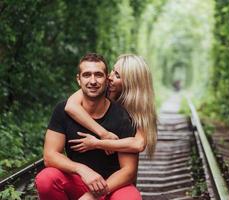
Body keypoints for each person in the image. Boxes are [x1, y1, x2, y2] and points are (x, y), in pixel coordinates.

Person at [35, 53, 142, 200]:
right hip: (80, 181)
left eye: (98, 75)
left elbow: (129, 171)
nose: (93, 81)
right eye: (86, 75)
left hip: (113, 185)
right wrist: (81, 169)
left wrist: (94, 194)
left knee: (131, 198)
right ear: (79, 80)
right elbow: (50, 156)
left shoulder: (122, 116)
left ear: (106, 80)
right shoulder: (63, 110)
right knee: (46, 179)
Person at [64, 54, 157, 158]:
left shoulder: (140, 106)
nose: (109, 77)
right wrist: (104, 134)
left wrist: (97, 143)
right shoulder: (98, 88)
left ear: (131, 84)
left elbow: (138, 144)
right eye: (113, 70)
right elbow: (71, 106)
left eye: (117, 75)